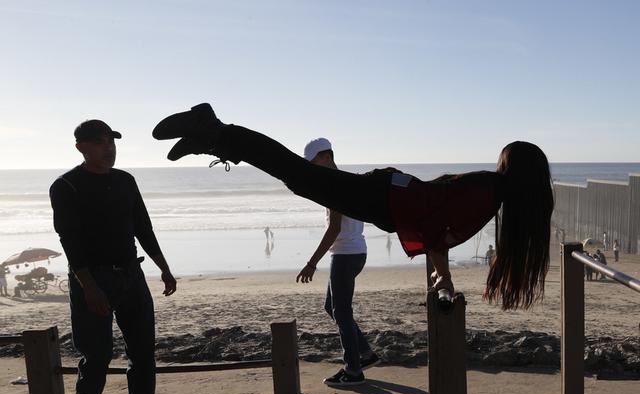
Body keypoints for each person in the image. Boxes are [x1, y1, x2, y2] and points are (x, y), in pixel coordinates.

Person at [152, 103, 554, 310]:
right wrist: (444, 277)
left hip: (386, 196)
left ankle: (216, 137)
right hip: (384, 197)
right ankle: (215, 131)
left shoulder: (488, 189)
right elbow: (436, 230)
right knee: (296, 174)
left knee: (296, 175)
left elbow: (438, 228)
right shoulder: (488, 192)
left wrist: (443, 273)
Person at [50, 119, 177, 394]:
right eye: (100, 142)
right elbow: (70, 240)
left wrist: (164, 267)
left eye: (111, 141)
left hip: (131, 275)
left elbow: (143, 228)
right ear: (80, 147)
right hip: (92, 278)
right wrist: (89, 286)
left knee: (144, 352)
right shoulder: (66, 186)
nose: (108, 148)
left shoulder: (125, 181)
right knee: (98, 355)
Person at [296, 138, 379, 387]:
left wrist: (311, 263)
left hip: (344, 254)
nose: (311, 167)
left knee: (342, 312)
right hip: (355, 252)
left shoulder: (335, 186)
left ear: (326, 156)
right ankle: (365, 354)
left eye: (313, 162)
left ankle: (353, 370)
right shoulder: (346, 180)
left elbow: (334, 228)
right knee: (332, 307)